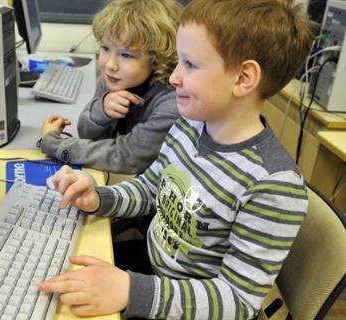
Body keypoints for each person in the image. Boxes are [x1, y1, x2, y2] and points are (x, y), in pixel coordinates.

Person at [38, 0, 316, 319]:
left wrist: (130, 290)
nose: (173, 78)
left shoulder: (273, 185)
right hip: (157, 270)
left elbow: (238, 301)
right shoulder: (190, 125)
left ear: (243, 78)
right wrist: (99, 198)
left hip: (194, 306)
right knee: (53, 277)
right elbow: (151, 188)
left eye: (190, 64)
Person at [39, 0, 181, 175]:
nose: (110, 65)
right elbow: (89, 138)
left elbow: (128, 157)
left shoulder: (173, 100)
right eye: (106, 48)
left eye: (126, 55)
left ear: (158, 59)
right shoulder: (115, 79)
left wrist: (54, 143)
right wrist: (102, 109)